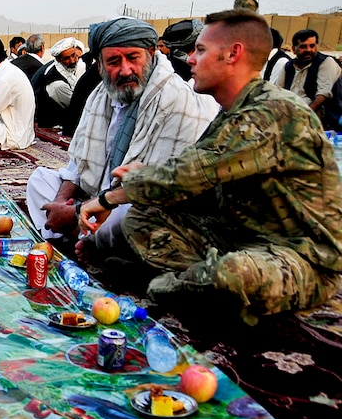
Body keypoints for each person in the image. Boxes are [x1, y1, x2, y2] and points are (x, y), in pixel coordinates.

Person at [80, 10, 342, 325]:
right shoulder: (233, 112)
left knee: (231, 275)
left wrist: (108, 199)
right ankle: (193, 282)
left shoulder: (275, 113)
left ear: (233, 54)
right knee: (142, 218)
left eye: (200, 51)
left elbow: (189, 174)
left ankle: (170, 285)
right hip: (237, 236)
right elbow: (193, 180)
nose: (190, 59)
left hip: (302, 257)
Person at [27, 17, 218, 249]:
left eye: (133, 58)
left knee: (131, 218)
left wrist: (79, 211)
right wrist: (60, 202)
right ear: (100, 65)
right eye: (114, 61)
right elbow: (77, 166)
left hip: (133, 200)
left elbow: (160, 188)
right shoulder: (102, 95)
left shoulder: (177, 99)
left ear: (150, 53)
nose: (124, 70)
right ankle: (80, 233)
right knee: (39, 180)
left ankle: (76, 233)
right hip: (96, 198)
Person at [270, 29, 342, 126]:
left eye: (312, 46)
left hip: (317, 119)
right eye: (303, 46)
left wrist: (301, 116)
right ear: (294, 49)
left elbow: (323, 95)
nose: (308, 50)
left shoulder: (326, 62)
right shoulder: (288, 66)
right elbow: (277, 92)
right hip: (290, 115)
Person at [31, 37, 86, 128]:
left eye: (73, 55)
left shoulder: (63, 68)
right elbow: (78, 107)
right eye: (67, 58)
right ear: (59, 59)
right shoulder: (57, 84)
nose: (73, 60)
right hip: (51, 124)